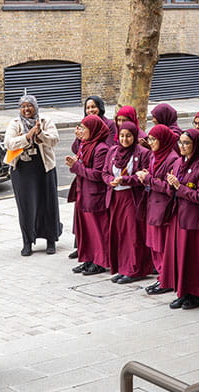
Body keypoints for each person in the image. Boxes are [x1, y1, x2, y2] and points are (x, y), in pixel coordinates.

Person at [4, 95, 61, 256]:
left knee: (48, 203)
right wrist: (28, 136)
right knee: (26, 207)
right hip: (22, 169)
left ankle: (51, 240)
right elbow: (8, 142)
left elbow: (54, 140)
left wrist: (40, 134)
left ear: (35, 107)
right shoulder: (15, 123)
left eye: (29, 106)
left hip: (44, 168)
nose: (26, 109)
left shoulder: (45, 121)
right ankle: (27, 242)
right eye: (23, 106)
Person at [162, 128, 199, 309]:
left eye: (186, 143)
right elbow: (171, 187)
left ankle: (195, 294)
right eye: (180, 143)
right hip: (177, 215)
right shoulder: (177, 162)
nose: (182, 146)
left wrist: (179, 187)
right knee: (179, 256)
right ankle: (182, 292)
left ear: (195, 144)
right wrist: (171, 185)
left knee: (192, 257)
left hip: (193, 218)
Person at [103, 121, 153, 283]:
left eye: (129, 136)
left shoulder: (143, 153)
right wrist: (110, 179)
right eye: (122, 136)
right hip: (115, 198)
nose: (125, 139)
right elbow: (104, 172)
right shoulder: (112, 151)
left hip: (132, 198)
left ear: (135, 136)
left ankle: (135, 269)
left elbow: (143, 177)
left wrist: (124, 180)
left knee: (132, 234)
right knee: (119, 233)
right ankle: (123, 267)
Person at [67, 115, 114, 275]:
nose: (81, 131)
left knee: (97, 230)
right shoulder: (85, 144)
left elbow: (98, 174)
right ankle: (87, 259)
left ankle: (99, 261)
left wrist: (76, 167)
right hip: (82, 192)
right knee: (85, 230)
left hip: (95, 195)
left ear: (92, 130)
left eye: (84, 128)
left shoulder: (101, 148)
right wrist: (75, 164)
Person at [136, 125, 181, 285]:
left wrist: (148, 179)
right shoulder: (155, 156)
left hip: (163, 208)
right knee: (154, 244)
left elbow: (170, 188)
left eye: (154, 139)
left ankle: (166, 278)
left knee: (162, 246)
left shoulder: (172, 159)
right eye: (150, 139)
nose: (151, 142)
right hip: (152, 206)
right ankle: (161, 277)